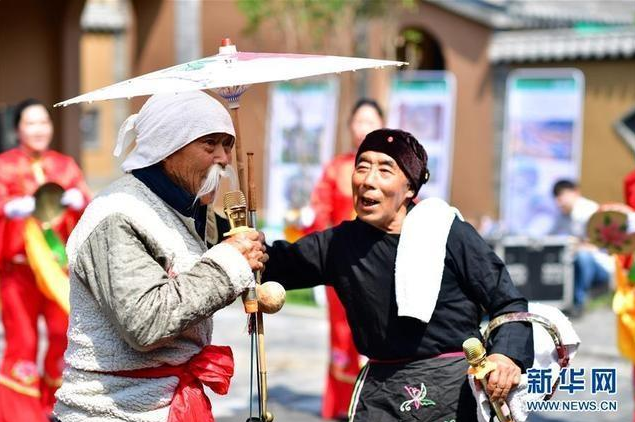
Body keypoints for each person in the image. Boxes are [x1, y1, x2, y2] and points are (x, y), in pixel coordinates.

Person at [264, 129, 533, 421]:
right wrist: (230, 233)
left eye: (384, 170)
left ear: (409, 188)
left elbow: (508, 303)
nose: (368, 180)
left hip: (453, 390)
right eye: (362, 167)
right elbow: (273, 263)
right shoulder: (340, 245)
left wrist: (505, 356)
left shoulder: (447, 232)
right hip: (380, 394)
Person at [53, 91, 267, 422]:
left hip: (168, 405)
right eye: (210, 144)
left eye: (228, 145)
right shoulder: (118, 215)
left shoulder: (189, 211)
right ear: (168, 149)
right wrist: (230, 264)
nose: (224, 158)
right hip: (112, 413)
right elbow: (146, 322)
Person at [0, 99, 91, 421]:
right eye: (31, 123)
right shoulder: (5, 165)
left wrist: (80, 202)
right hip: (19, 272)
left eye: (44, 123)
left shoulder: (65, 165)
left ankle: (58, 407)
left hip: (58, 271)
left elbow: (85, 205)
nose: (39, 130)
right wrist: (9, 208)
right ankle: (19, 414)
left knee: (61, 335)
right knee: (21, 340)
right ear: (17, 130)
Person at [305, 98, 384, 420]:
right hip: (342, 267)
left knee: (380, 331)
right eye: (359, 121)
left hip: (381, 267)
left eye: (371, 121)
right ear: (350, 127)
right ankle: (342, 404)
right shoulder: (337, 168)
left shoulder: (393, 170)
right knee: (343, 332)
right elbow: (320, 211)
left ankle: (378, 400)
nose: (363, 127)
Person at [551, 179, 613, 316]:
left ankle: (579, 302)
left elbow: (605, 244)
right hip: (579, 265)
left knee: (581, 256)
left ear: (575, 193)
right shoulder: (562, 215)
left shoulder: (589, 210)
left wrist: (579, 246)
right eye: (556, 197)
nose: (559, 201)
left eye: (562, 195)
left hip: (602, 267)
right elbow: (550, 237)